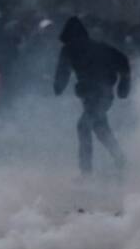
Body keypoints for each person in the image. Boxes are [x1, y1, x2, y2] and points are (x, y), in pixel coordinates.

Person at [53, 16, 130, 175]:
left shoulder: (74, 48)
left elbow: (62, 71)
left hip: (100, 95)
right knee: (100, 128)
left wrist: (59, 86)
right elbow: (123, 61)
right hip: (95, 96)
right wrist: (123, 86)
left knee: (84, 126)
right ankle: (120, 159)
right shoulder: (92, 47)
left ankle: (86, 172)